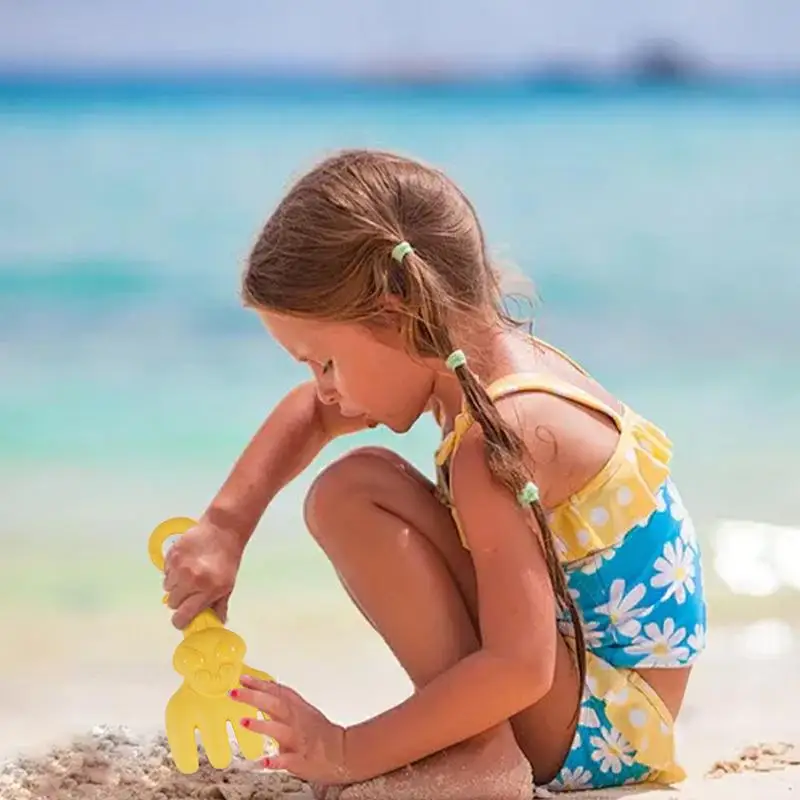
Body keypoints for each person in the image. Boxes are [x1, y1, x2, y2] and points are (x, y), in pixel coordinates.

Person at [162, 148, 707, 798]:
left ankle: (483, 755)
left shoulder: (499, 435)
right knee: (357, 484)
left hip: (600, 723)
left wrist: (344, 750)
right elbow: (311, 415)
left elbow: (519, 667)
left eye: (326, 362)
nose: (324, 390)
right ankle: (480, 742)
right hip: (597, 691)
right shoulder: (470, 364)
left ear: (395, 316)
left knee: (351, 493)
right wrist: (225, 527)